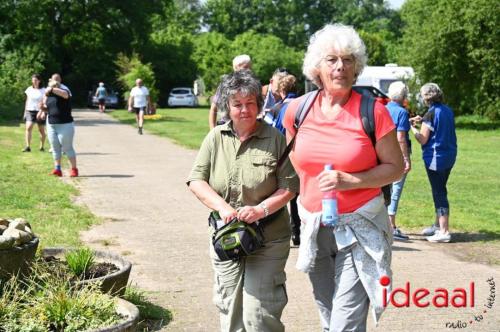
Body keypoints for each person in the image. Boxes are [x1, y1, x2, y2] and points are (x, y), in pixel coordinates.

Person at [282, 24, 403, 331]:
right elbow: (293, 158)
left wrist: (351, 180)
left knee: (344, 323)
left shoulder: (374, 111)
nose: (341, 67)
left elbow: (396, 167)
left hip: (360, 228)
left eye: (348, 59)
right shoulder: (297, 110)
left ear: (356, 66)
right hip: (315, 226)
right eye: (332, 59)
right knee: (328, 314)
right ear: (317, 68)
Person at [187, 70, 299, 332]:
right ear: (227, 106)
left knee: (259, 314)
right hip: (226, 237)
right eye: (237, 104)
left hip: (268, 238)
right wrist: (223, 208)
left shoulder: (275, 138)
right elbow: (196, 180)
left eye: (250, 103)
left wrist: (260, 209)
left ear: (259, 106)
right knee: (230, 309)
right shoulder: (215, 138)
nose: (244, 110)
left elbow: (290, 187)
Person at [410, 83, 457, 243]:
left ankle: (444, 231)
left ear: (426, 97)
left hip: (436, 158)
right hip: (449, 155)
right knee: (440, 189)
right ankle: (438, 225)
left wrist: (413, 129)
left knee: (439, 192)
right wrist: (422, 121)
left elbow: (423, 139)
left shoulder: (431, 114)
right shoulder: (448, 110)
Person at [264, 72, 302, 246]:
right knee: (299, 195)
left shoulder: (276, 109)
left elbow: (268, 131)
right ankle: (298, 232)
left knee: (281, 192)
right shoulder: (305, 105)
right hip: (302, 155)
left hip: (282, 155)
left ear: (281, 90)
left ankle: (276, 231)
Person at [386, 81, 412, 241]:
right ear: (403, 96)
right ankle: (392, 225)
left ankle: (385, 223)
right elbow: (401, 137)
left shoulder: (383, 109)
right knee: (396, 188)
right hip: (396, 153)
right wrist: (405, 159)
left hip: (382, 152)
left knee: (385, 187)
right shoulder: (402, 112)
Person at [40, 73, 78, 177]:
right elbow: (49, 108)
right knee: (55, 148)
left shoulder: (65, 91)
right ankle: (57, 169)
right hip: (51, 124)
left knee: (67, 148)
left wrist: (51, 89)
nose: (51, 87)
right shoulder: (48, 95)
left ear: (58, 84)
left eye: (54, 84)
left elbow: (65, 95)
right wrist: (43, 109)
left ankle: (74, 169)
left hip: (65, 124)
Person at [208, 54, 252, 129]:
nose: (249, 70)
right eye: (245, 67)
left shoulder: (252, 86)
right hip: (226, 128)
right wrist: (212, 131)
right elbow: (213, 108)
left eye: (250, 67)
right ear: (236, 68)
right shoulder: (225, 85)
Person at [22, 74, 46, 152]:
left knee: (41, 130)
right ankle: (28, 147)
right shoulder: (29, 89)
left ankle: (41, 146)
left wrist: (43, 112)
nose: (34, 82)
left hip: (40, 111)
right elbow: (27, 100)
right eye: (33, 80)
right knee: (28, 127)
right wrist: (25, 111)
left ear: (39, 81)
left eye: (35, 80)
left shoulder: (44, 90)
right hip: (30, 110)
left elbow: (45, 101)